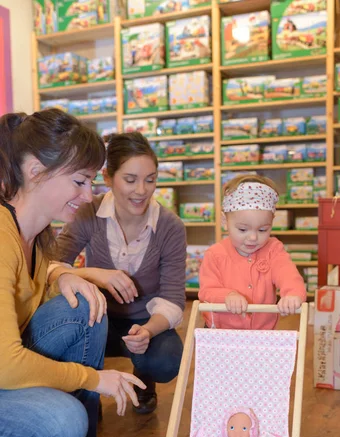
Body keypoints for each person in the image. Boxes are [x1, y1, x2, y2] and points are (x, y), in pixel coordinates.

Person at [0, 109, 146, 437]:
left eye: (92, 181)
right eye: (80, 181)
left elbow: (37, 271)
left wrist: (65, 274)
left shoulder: (34, 231)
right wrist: (95, 380)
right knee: (62, 423)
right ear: (34, 170)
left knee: (84, 305)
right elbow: (7, 365)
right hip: (3, 370)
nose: (88, 195)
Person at [48, 132, 186, 415]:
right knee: (63, 329)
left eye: (150, 179)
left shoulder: (170, 226)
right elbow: (50, 264)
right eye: (131, 179)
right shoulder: (88, 213)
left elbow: (173, 298)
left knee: (165, 360)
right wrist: (96, 274)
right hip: (97, 317)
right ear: (109, 178)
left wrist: (148, 331)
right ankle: (89, 389)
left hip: (146, 320)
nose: (142, 190)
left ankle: (143, 379)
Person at [199, 174, 307, 330]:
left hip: (262, 332)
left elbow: (288, 274)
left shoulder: (273, 250)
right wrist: (227, 296)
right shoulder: (215, 254)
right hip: (221, 332)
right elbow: (207, 291)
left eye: (263, 229)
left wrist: (293, 294)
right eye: (242, 229)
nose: (253, 237)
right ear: (225, 222)